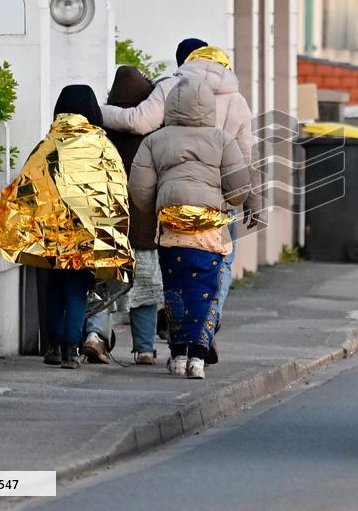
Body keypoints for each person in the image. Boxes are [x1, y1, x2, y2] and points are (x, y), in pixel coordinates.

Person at [102, 38, 259, 363]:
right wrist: (248, 199)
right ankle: (206, 327)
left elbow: (139, 123)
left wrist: (94, 110)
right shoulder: (237, 100)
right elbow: (244, 160)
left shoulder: (171, 88)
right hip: (219, 207)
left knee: (173, 277)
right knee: (219, 270)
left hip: (171, 208)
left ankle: (180, 342)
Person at [0, 85, 133, 369]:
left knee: (54, 287)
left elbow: (26, 188)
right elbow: (116, 193)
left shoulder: (46, 145)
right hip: (87, 237)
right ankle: (71, 349)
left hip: (50, 236)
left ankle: (53, 346)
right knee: (77, 290)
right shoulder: (103, 148)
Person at [129, 77, 251, 380]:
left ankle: (178, 354)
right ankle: (197, 357)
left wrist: (160, 205)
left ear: (171, 105)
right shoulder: (222, 140)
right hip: (209, 231)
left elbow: (140, 190)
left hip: (171, 230)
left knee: (175, 290)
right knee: (205, 291)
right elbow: (239, 190)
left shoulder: (154, 140)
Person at [82, 66, 165, 365]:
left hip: (108, 225)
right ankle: (144, 349)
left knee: (103, 286)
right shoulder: (155, 135)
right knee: (146, 290)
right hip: (144, 226)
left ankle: (95, 337)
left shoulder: (98, 131)